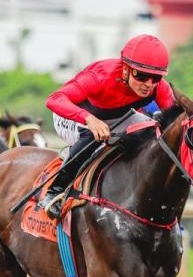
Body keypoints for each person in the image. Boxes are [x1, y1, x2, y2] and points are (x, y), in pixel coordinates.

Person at [39, 34, 176, 218]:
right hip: (73, 116)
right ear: (125, 69)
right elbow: (54, 100)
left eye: (156, 78)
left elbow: (175, 121)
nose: (148, 85)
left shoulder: (159, 88)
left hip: (117, 117)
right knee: (94, 135)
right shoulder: (100, 76)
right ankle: (54, 192)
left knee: (153, 134)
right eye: (141, 76)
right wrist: (88, 119)